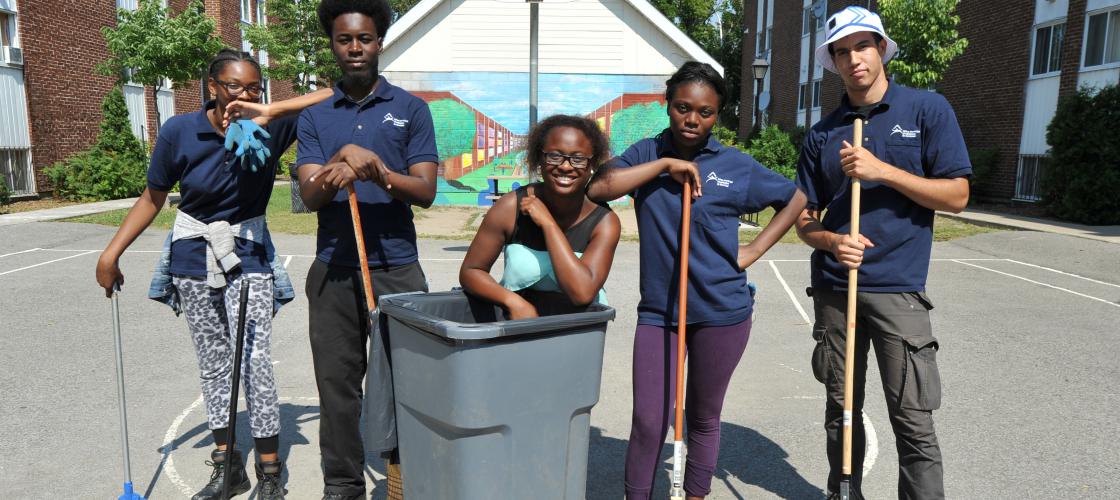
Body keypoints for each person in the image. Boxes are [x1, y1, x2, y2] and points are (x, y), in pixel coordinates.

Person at [94, 48, 332, 500]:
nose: (244, 95)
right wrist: (112, 253)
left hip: (249, 256)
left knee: (256, 362)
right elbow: (153, 197)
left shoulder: (270, 124)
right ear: (212, 87)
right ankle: (227, 469)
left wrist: (273, 107)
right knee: (214, 366)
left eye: (253, 88)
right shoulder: (179, 131)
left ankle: (268, 472)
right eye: (234, 86)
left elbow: (332, 94)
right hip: (191, 257)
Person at [587, 61, 807, 500]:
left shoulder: (734, 166)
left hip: (722, 311)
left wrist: (753, 251)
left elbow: (795, 197)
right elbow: (600, 188)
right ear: (668, 105)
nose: (692, 119)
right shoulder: (647, 153)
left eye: (705, 112)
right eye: (683, 108)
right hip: (660, 313)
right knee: (649, 420)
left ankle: (695, 495)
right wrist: (667, 165)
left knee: (703, 417)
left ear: (717, 115)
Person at [794, 7, 971, 499]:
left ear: (882, 48)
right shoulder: (823, 133)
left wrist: (882, 171)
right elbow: (802, 217)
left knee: (913, 418)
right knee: (842, 411)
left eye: (862, 46)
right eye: (842, 52)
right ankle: (843, 493)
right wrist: (830, 241)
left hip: (898, 290)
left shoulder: (926, 109)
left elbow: (957, 196)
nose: (854, 59)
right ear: (834, 61)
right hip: (836, 288)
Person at [293, 0, 439, 498]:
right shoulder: (313, 116)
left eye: (364, 38)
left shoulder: (411, 109)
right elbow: (310, 196)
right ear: (332, 45)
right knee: (337, 388)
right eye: (343, 39)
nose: (355, 48)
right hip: (334, 267)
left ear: (380, 42)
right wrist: (340, 160)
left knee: (406, 383)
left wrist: (377, 169)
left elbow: (424, 191)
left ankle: (405, 478)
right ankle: (343, 485)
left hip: (397, 266)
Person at [459, 114, 620, 319]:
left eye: (578, 159)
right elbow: (472, 270)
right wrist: (512, 301)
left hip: (580, 333)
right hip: (518, 328)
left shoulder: (604, 222)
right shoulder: (510, 207)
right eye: (554, 155)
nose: (565, 166)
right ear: (539, 159)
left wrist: (548, 224)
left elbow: (582, 292)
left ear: (592, 164)